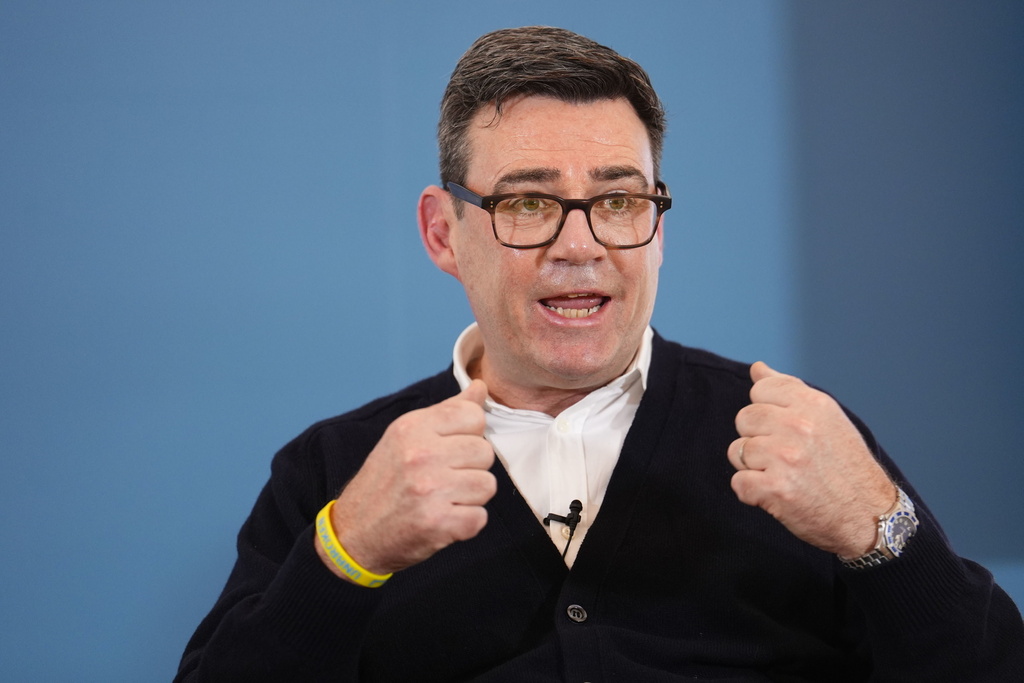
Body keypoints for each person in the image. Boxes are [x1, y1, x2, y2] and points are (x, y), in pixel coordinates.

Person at [175, 26, 1023, 682]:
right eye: (529, 201)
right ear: (444, 231)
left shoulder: (798, 442)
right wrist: (346, 554)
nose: (579, 245)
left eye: (618, 199)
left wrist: (884, 531)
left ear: (658, 227)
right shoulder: (335, 472)